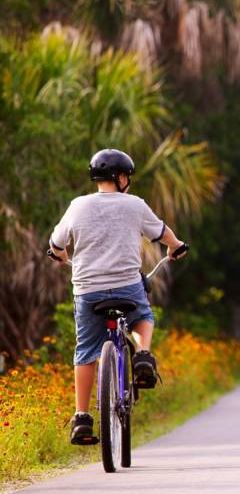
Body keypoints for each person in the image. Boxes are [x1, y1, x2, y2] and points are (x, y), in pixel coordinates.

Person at [48, 148, 187, 445]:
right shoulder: (134, 205)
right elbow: (164, 233)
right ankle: (145, 355)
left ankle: (82, 418)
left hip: (88, 290)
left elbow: (56, 242)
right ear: (121, 177)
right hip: (126, 285)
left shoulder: (77, 206)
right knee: (143, 316)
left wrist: (59, 255)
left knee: (85, 350)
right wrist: (175, 247)